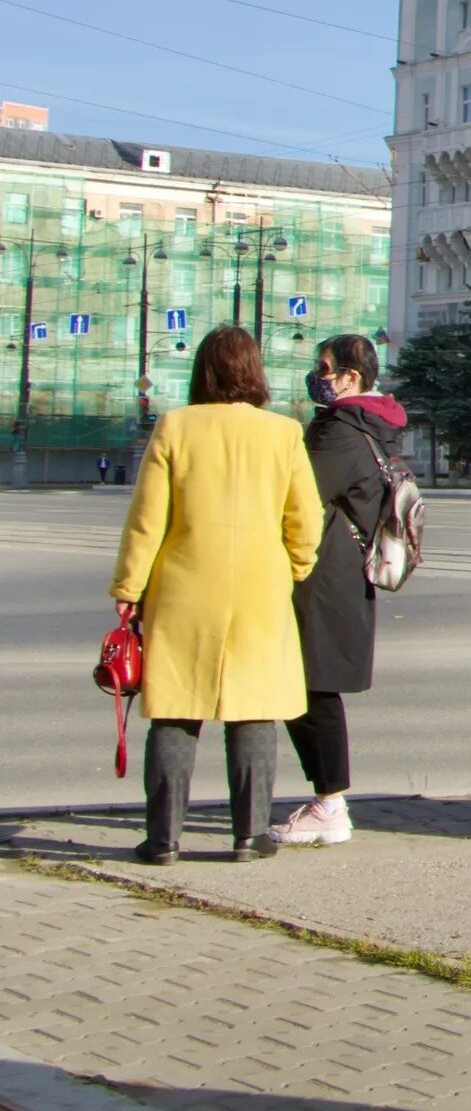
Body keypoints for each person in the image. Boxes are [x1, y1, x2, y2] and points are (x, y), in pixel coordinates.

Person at [108, 325, 325, 864]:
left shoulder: (176, 427)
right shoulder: (283, 433)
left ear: (201, 371)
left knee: (175, 710)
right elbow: (305, 518)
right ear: (254, 372)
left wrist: (129, 587)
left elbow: (147, 520)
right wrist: (297, 566)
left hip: (183, 585)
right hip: (259, 585)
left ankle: (163, 840)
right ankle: (250, 837)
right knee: (254, 710)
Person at [267, 333, 407, 847]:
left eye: (324, 367)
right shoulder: (375, 422)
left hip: (322, 571)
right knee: (308, 684)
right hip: (343, 569)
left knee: (311, 685)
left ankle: (330, 804)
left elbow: (297, 495)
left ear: (351, 376)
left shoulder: (340, 428)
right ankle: (328, 800)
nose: (316, 375)